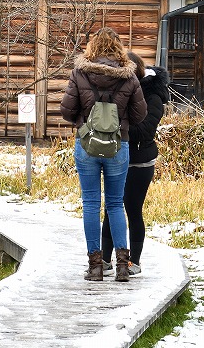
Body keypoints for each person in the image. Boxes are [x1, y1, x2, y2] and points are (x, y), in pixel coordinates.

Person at [60, 28, 147, 283]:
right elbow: (140, 114)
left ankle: (95, 267)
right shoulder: (129, 77)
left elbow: (67, 110)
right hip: (119, 145)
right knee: (115, 203)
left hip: (86, 145)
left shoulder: (80, 73)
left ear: (92, 47)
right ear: (119, 48)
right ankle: (122, 265)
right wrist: (120, 122)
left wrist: (84, 122)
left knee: (90, 204)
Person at [101, 53, 169, 277]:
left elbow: (144, 130)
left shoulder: (153, 96)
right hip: (118, 157)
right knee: (112, 209)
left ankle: (134, 262)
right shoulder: (121, 91)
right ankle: (104, 259)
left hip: (141, 161)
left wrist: (119, 119)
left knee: (132, 209)